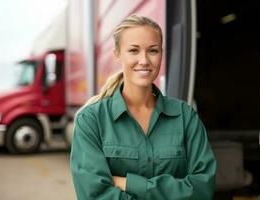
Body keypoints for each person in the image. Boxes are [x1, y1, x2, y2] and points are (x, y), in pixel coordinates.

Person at [70, 14, 216, 200]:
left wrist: (128, 183)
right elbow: (95, 194)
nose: (144, 60)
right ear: (117, 54)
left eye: (153, 51)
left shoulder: (185, 116)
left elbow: (202, 189)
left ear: (161, 54)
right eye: (133, 50)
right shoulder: (91, 121)